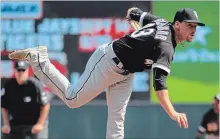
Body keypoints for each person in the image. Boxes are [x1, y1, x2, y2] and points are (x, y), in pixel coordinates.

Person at [8, 7, 205, 139]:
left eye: (195, 26)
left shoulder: (162, 22)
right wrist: (173, 112)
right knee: (73, 98)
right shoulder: (166, 47)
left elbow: (134, 12)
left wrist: (133, 18)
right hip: (108, 62)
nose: (193, 30)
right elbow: (159, 85)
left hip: (126, 73)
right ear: (177, 24)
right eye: (190, 25)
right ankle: (40, 60)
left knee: (117, 120)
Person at [1, 60, 50, 139]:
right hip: (16, 124)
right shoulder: (9, 85)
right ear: (15, 71)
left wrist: (40, 124)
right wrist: (6, 124)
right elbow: (4, 106)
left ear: (27, 71)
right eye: (18, 70)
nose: (21, 73)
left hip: (34, 124)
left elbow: (45, 106)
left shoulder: (35, 85)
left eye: (23, 70)